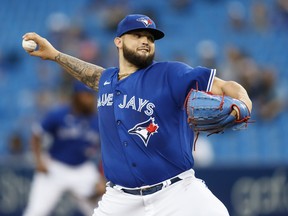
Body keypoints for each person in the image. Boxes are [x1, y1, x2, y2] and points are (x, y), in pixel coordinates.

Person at [23, 14, 252, 216]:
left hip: (177, 193)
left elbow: (226, 86)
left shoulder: (170, 73)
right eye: (138, 35)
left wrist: (244, 103)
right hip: (119, 201)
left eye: (150, 38)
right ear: (119, 42)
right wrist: (55, 55)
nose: (145, 41)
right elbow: (93, 75)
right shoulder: (108, 81)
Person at [23, 81, 106, 216]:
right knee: (36, 211)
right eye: (84, 95)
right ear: (75, 96)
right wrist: (38, 160)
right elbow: (36, 134)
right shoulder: (59, 114)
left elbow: (107, 151)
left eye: (90, 95)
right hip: (54, 168)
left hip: (82, 169)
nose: (88, 99)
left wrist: (102, 179)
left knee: (101, 211)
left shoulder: (97, 120)